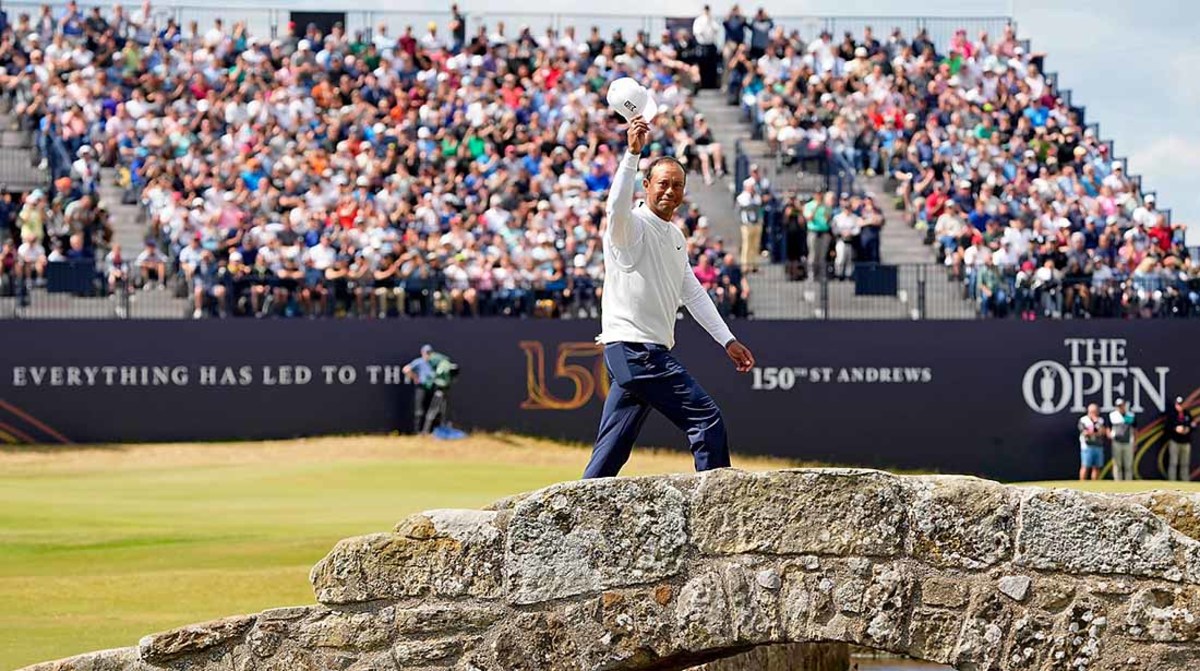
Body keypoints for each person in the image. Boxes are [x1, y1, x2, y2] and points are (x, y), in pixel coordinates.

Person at [583, 116, 756, 479]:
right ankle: (717, 511)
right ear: (646, 185)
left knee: (611, 449)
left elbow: (692, 292)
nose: (670, 191)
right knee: (706, 419)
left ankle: (573, 519)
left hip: (638, 353)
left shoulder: (674, 235)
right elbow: (615, 208)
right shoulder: (630, 227)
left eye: (677, 186)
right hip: (637, 350)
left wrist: (727, 340)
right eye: (663, 183)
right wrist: (631, 154)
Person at [1164, 396, 1197, 482]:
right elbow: (1167, 427)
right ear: (1175, 404)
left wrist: (1188, 429)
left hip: (1186, 442)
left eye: (1181, 404)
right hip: (1175, 441)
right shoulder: (1172, 414)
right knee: (1173, 463)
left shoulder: (1187, 413)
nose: (1180, 406)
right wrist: (1176, 429)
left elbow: (1193, 425)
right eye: (1178, 404)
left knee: (1185, 464)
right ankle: (1172, 481)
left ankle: (1185, 481)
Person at [1077, 403, 1106, 481]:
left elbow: (1103, 432)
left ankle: (1095, 484)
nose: (1094, 413)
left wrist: (1096, 423)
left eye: (1095, 411)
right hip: (1087, 446)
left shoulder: (1100, 420)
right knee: (1085, 466)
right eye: (1092, 411)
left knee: (1097, 467)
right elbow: (1085, 433)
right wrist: (1096, 433)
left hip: (1098, 445)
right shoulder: (1083, 420)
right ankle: (1082, 484)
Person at [1108, 399, 1136, 481]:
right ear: (1116, 407)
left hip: (1129, 442)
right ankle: (1117, 482)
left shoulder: (1131, 416)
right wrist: (1110, 436)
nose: (1121, 407)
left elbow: (1135, 429)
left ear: (1125, 405)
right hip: (1116, 442)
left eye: (1122, 405)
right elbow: (1108, 428)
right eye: (1118, 406)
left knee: (1128, 464)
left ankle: (1128, 482)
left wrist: (1135, 442)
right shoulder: (1112, 415)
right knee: (1117, 464)